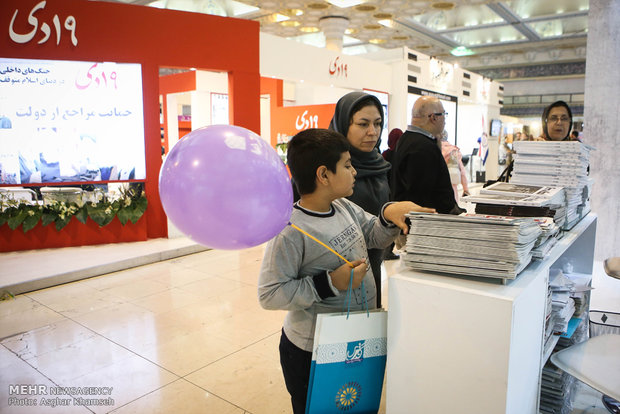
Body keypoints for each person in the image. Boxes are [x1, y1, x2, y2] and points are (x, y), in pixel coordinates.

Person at [257, 128, 434, 414]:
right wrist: (329, 283)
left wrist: (388, 214)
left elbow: (373, 235)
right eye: (348, 165)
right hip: (310, 350)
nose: (354, 172)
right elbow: (270, 293)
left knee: (352, 403)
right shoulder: (291, 230)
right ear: (324, 175)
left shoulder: (342, 207)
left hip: (352, 338)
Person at [328, 91, 392, 307]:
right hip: (335, 274)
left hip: (373, 264)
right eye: (363, 124)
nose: (373, 132)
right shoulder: (326, 166)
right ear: (344, 124)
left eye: (378, 123)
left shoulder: (378, 163)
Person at [390, 95, 462, 215]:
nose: (445, 119)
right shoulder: (422, 147)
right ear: (433, 118)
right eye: (444, 114)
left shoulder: (408, 139)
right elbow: (422, 196)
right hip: (426, 225)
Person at [382, 127, 403, 260]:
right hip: (396, 192)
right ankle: (388, 250)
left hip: (385, 191)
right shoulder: (400, 155)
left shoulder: (384, 155)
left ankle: (386, 250)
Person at [440, 131, 470, 203]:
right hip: (452, 187)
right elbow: (461, 170)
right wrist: (465, 188)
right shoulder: (454, 151)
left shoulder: (433, 149)